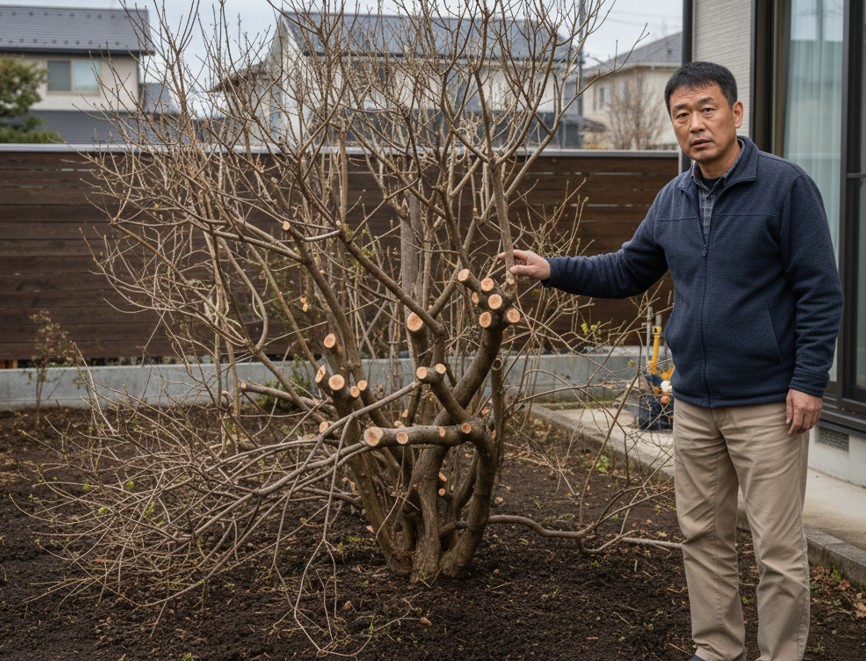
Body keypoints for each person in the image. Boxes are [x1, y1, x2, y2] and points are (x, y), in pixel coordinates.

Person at [504, 61, 843, 661]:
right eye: (682, 115)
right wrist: (552, 268)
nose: (696, 124)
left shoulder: (785, 188)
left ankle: (781, 655)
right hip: (692, 401)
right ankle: (717, 649)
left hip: (768, 403)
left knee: (778, 548)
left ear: (736, 114)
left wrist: (808, 381)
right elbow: (627, 270)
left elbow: (820, 292)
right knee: (703, 535)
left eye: (707, 109)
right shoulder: (673, 198)